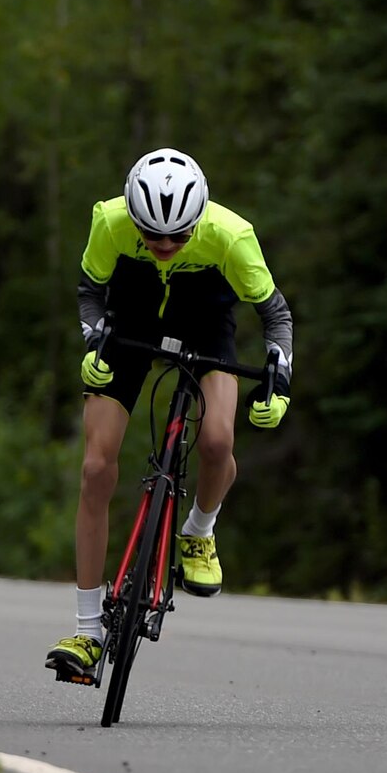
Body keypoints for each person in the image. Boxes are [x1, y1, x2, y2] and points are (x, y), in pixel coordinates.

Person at [45, 149, 295, 684]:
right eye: (150, 236)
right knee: (95, 470)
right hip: (129, 327)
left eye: (177, 238)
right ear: (131, 218)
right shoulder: (108, 221)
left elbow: (275, 314)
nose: (162, 247)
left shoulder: (232, 234)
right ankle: (88, 633)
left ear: (198, 221)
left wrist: (280, 379)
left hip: (207, 328)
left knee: (218, 442)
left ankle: (198, 531)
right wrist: (91, 343)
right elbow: (90, 292)